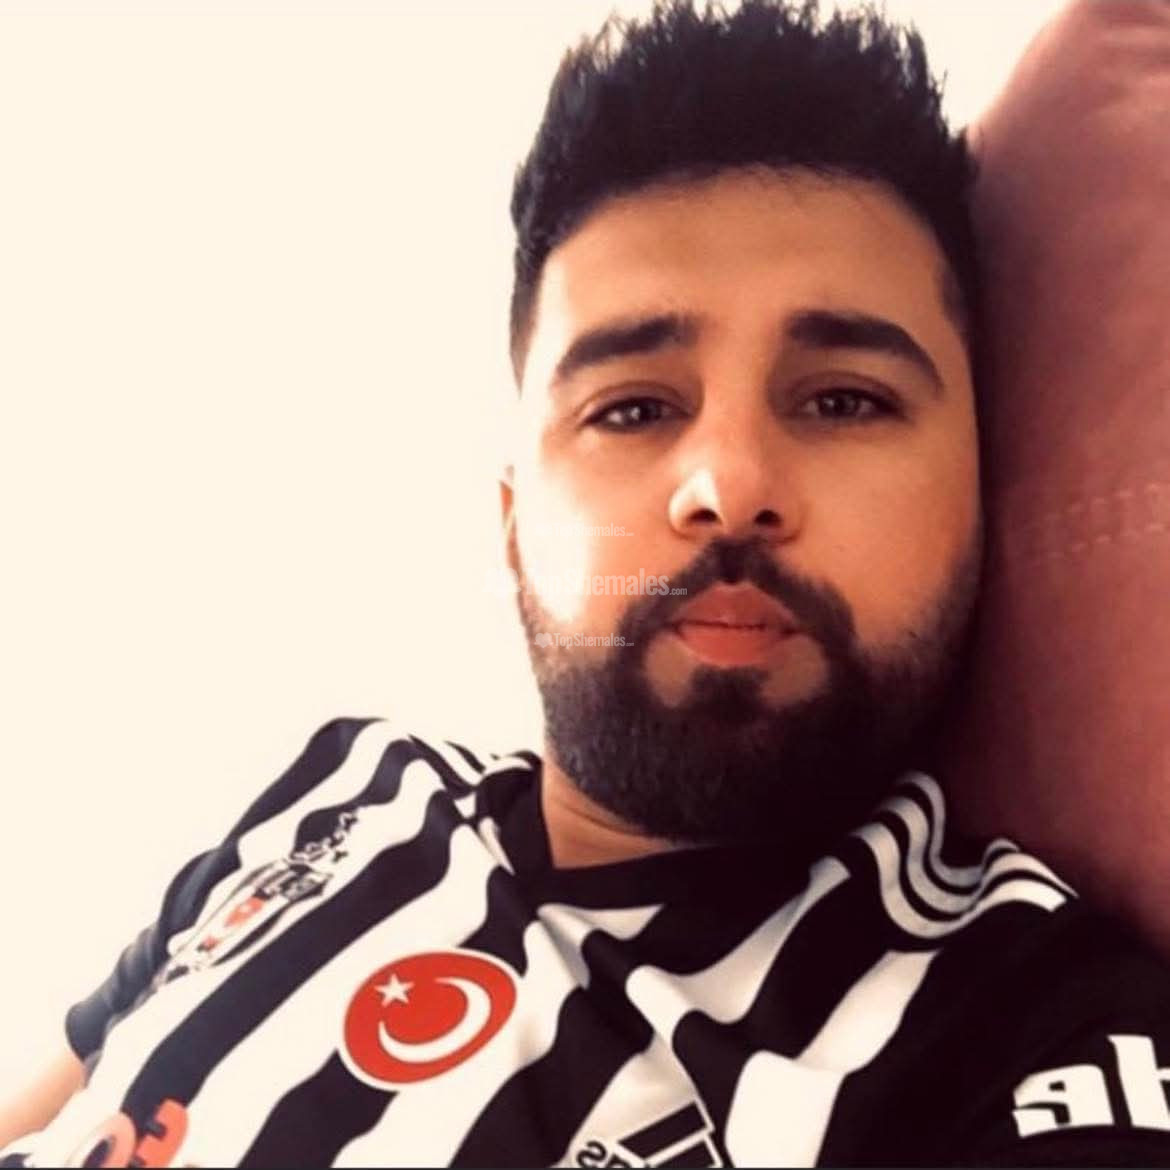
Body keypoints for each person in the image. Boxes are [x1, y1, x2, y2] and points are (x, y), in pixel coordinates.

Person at [4, 0, 1170, 1165]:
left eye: (842, 400)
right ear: (514, 527)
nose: (727, 485)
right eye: (633, 409)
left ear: (980, 491)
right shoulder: (333, 791)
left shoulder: (1035, 1028)